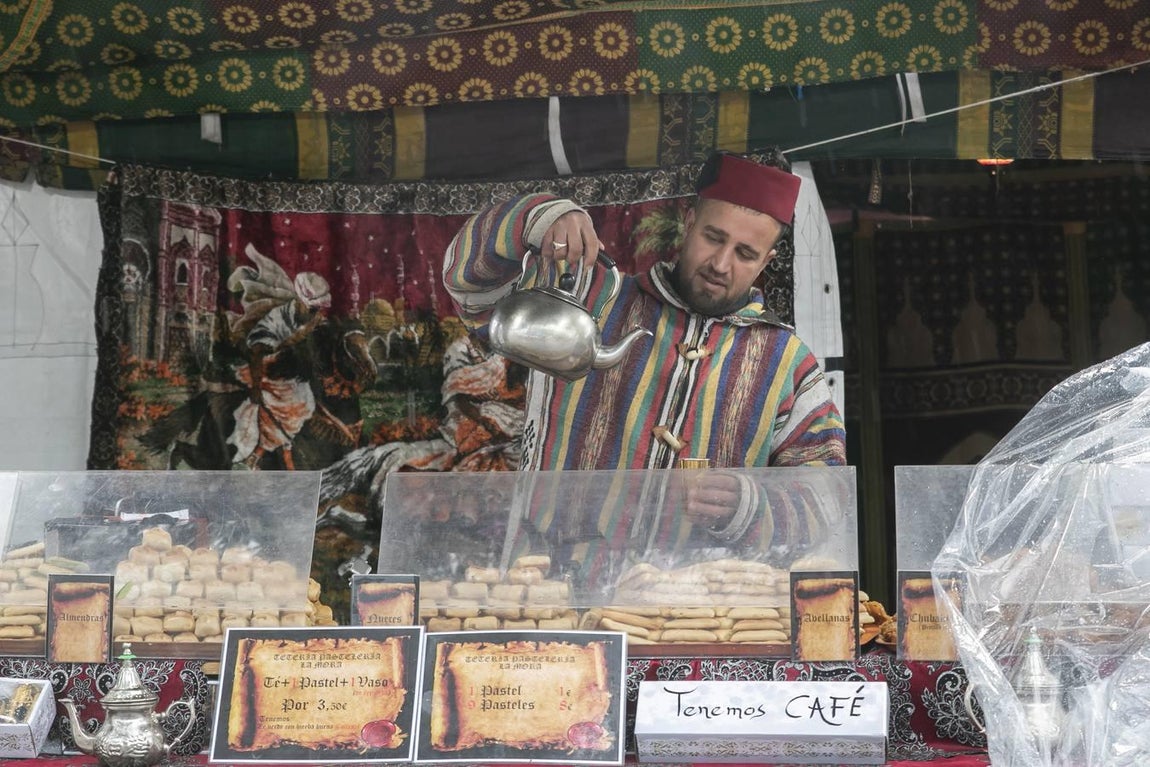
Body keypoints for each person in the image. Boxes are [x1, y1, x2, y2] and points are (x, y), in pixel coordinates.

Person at [442, 151, 846, 559]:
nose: (721, 264)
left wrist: (751, 506)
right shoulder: (592, 297)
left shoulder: (786, 363)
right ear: (689, 223)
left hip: (692, 613)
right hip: (553, 591)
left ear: (767, 262)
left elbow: (827, 497)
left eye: (745, 254)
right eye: (713, 237)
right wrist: (540, 217)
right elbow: (468, 284)